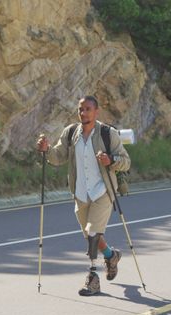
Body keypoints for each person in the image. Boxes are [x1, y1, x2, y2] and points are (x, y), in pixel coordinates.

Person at [36, 95, 131, 296]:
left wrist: (110, 159)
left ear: (96, 112)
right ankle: (111, 255)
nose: (83, 113)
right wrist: (46, 150)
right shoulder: (71, 133)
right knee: (91, 235)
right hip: (80, 193)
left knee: (93, 233)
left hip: (102, 192)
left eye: (88, 109)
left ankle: (92, 279)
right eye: (81, 109)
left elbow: (126, 161)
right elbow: (58, 156)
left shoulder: (107, 133)